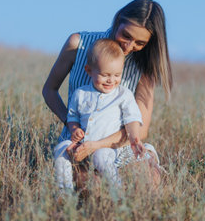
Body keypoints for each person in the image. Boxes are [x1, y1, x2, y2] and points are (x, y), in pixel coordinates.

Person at [42, 0, 173, 190]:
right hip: (79, 146)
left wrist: (97, 145)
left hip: (119, 145)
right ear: (118, 19)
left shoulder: (145, 67)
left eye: (140, 43)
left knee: (148, 182)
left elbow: (141, 129)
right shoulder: (78, 44)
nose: (129, 46)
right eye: (126, 35)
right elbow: (49, 90)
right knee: (94, 188)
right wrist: (72, 125)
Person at [54, 39, 146, 190]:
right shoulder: (81, 93)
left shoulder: (124, 95)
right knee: (62, 148)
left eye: (117, 75)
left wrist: (134, 137)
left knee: (101, 156)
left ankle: (116, 190)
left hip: (108, 148)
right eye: (105, 75)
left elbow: (132, 119)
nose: (111, 80)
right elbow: (72, 117)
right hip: (81, 146)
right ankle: (64, 190)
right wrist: (74, 129)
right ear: (89, 70)